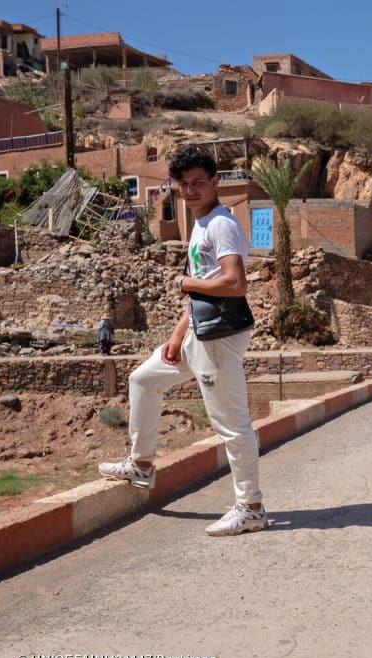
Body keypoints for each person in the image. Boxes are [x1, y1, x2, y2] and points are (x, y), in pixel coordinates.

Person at [99, 146, 267, 537]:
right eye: (184, 185)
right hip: (197, 332)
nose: (190, 191)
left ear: (215, 182)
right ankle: (141, 465)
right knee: (144, 379)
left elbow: (235, 282)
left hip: (217, 339)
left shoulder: (220, 224)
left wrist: (184, 282)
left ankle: (251, 506)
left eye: (198, 183)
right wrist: (178, 333)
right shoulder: (200, 223)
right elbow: (202, 294)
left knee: (231, 423)